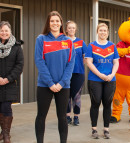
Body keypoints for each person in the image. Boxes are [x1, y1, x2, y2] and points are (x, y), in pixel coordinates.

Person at [34, 11, 75, 143]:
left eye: (57, 21)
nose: (55, 23)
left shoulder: (68, 41)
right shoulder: (41, 39)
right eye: (52, 21)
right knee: (41, 116)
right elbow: (39, 61)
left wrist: (62, 83)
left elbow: (71, 64)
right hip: (45, 85)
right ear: (48, 23)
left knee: (62, 117)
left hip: (63, 86)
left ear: (61, 23)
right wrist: (50, 83)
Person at [0, 21, 24, 143]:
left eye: (6, 30)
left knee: (6, 107)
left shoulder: (17, 47)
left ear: (10, 32)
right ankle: (3, 132)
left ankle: (7, 135)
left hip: (10, 83)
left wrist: (8, 78)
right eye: (2, 30)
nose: (4, 33)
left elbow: (19, 65)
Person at [85, 23, 119, 139]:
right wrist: (100, 75)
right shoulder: (91, 46)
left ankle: (106, 129)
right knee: (95, 103)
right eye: (101, 30)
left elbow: (116, 62)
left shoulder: (112, 46)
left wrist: (111, 75)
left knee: (107, 104)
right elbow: (89, 62)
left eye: (105, 31)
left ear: (108, 33)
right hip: (95, 79)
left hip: (110, 79)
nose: (103, 32)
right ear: (97, 32)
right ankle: (94, 129)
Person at [65, 20, 87, 126]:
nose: (71, 30)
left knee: (76, 96)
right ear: (66, 29)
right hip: (65, 74)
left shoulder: (81, 42)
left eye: (73, 28)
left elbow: (85, 58)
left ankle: (76, 117)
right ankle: (67, 116)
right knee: (66, 95)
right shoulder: (63, 41)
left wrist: (77, 65)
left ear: (76, 29)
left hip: (78, 73)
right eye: (69, 28)